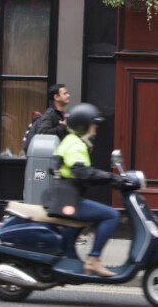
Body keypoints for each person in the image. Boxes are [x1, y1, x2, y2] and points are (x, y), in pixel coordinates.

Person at [53, 103, 122, 277]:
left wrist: (107, 179)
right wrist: (112, 178)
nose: (96, 126)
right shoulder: (76, 144)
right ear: (84, 125)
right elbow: (83, 173)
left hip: (65, 198)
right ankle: (93, 259)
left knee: (81, 225)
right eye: (93, 123)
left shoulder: (71, 140)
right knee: (111, 215)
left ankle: (70, 261)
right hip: (69, 200)